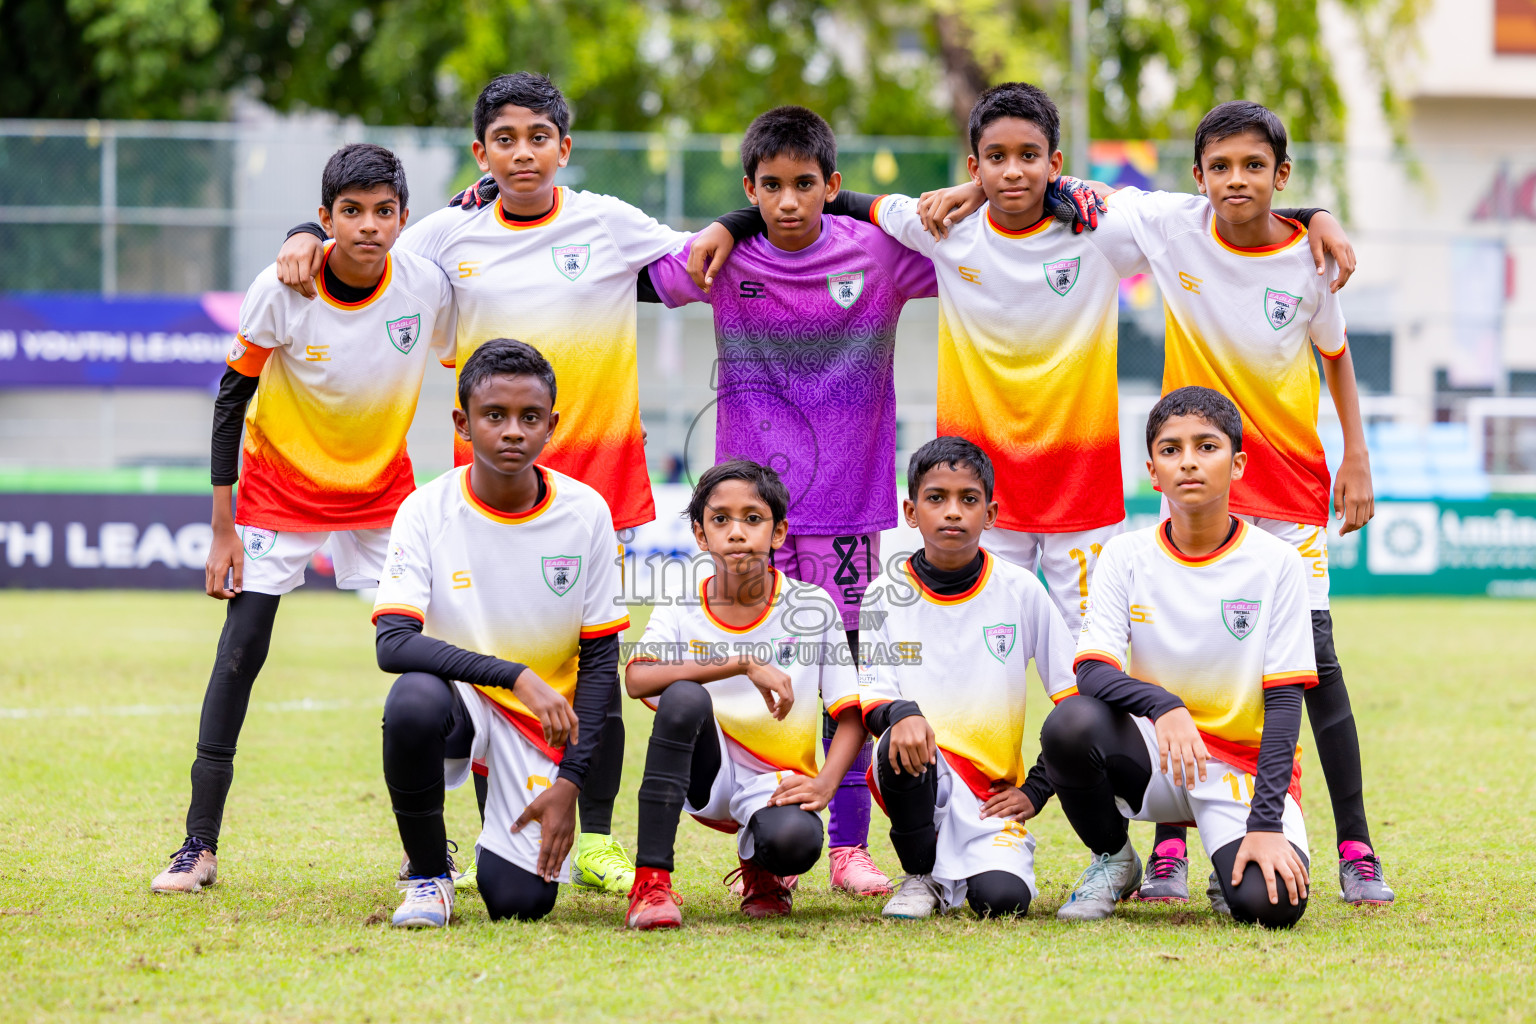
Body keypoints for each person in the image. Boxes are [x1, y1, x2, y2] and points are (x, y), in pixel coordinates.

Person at [696, 83, 1354, 641]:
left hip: (1083, 496)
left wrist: (1313, 215)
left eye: (1029, 157)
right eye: (996, 159)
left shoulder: (1101, 231)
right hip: (982, 500)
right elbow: (826, 197)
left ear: (1055, 161)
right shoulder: (942, 228)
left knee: (1099, 664)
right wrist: (729, 223)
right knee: (967, 655)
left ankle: (1113, 795)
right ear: (973, 165)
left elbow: (1221, 207)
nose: (1013, 171)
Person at [273, 72, 684, 893]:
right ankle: (481, 823)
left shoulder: (610, 222)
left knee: (592, 662)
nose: (524, 153)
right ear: (480, 152)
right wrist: (296, 233)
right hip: (485, 503)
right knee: (492, 661)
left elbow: (702, 256)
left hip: (596, 487)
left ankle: (597, 835)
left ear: (565, 147)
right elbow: (360, 247)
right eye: (506, 139)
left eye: (540, 137)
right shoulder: (442, 236)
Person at [639, 105, 945, 897]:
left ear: (832, 187)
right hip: (749, 515)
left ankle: (846, 845)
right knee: (722, 674)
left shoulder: (879, 255)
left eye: (804, 185)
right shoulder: (724, 257)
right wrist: (722, 226)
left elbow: (977, 247)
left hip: (848, 508)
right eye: (768, 187)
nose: (786, 202)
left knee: (845, 676)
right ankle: (730, 839)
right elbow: (630, 271)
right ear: (749, 189)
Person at [1104, 101, 1391, 908]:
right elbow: (1055, 185)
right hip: (1195, 482)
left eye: (1254, 166)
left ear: (1282, 176)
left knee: (1316, 665)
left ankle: (1357, 845)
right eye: (1221, 167)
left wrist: (1356, 457)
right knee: (1177, 655)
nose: (1237, 180)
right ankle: (1168, 846)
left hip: (1290, 495)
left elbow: (1335, 356)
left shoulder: (1310, 260)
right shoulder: (1170, 227)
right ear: (1198, 178)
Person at [150, 144, 456, 894]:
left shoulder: (426, 285)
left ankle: (436, 847)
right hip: (277, 495)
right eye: (350, 211)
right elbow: (231, 400)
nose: (368, 226)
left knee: (428, 658)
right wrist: (222, 528)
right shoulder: (281, 286)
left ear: (403, 220)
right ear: (324, 221)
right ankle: (198, 847)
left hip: (383, 498)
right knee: (240, 652)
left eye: (384, 212)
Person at [373, 339, 628, 927]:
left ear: (551, 426)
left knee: (520, 904)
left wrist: (569, 785)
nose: (512, 431)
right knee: (412, 699)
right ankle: (428, 873)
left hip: (541, 723)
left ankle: (499, 844)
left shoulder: (586, 511)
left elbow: (599, 664)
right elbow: (393, 643)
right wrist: (515, 674)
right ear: (463, 422)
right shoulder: (425, 509)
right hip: (462, 703)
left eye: (529, 417)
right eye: (494, 416)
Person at [1044, 387, 1315, 929]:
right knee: (1069, 724)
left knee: (1272, 908)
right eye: (1171, 450)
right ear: (1153, 470)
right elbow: (1092, 669)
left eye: (1206, 446)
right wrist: (1165, 707)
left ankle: (1230, 850)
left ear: (1237, 464)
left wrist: (1265, 824)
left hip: (1242, 767)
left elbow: (1285, 702)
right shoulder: (1124, 553)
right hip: (1157, 755)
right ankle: (1114, 860)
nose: (1188, 461)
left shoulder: (1279, 562)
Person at [621, 460, 864, 929]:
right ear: (700, 534)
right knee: (684, 697)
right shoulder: (680, 598)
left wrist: (826, 783)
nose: (736, 532)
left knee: (795, 842)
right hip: (702, 772)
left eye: (753, 518)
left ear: (778, 533)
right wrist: (742, 662)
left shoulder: (812, 606)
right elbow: (637, 680)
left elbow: (849, 712)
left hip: (775, 785)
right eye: (720, 520)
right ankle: (651, 885)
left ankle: (763, 870)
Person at [859, 437, 1077, 920]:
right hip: (921, 778)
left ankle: (979, 863)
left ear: (992, 513)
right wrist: (903, 714)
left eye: (968, 499)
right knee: (900, 730)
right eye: (937, 498)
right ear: (911, 512)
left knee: (1002, 903)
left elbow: (1073, 700)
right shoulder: (882, 594)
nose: (952, 512)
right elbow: (873, 697)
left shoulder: (1021, 590)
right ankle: (920, 874)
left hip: (990, 801)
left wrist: (1037, 789)